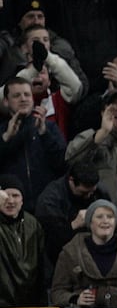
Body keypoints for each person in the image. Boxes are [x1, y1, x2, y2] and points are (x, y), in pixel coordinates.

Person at [50, 199, 117, 308]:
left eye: (110, 216)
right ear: (90, 222)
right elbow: (57, 292)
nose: (105, 221)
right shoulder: (71, 252)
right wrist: (75, 299)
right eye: (99, 217)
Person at [0, 76, 66, 212]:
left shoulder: (49, 128)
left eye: (27, 95)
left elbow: (63, 163)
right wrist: (6, 138)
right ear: (6, 101)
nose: (23, 99)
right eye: (16, 96)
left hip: (47, 206)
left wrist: (44, 134)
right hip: (11, 207)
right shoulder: (2, 131)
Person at [0, 174, 45, 307]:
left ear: (22, 200)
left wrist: (41, 304)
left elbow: (42, 266)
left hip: (29, 304)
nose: (11, 201)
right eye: (6, 196)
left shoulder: (33, 224)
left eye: (15, 196)